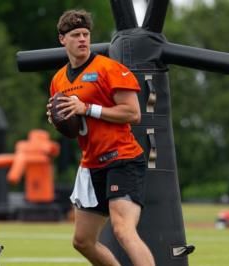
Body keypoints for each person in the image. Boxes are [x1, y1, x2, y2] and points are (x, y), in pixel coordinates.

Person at [46, 9, 155, 266]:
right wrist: (59, 121)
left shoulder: (109, 68)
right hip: (91, 164)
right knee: (82, 241)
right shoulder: (58, 80)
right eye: (76, 35)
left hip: (122, 158)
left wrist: (88, 108)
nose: (83, 39)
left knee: (123, 230)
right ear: (63, 39)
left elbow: (133, 113)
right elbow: (72, 126)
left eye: (86, 34)